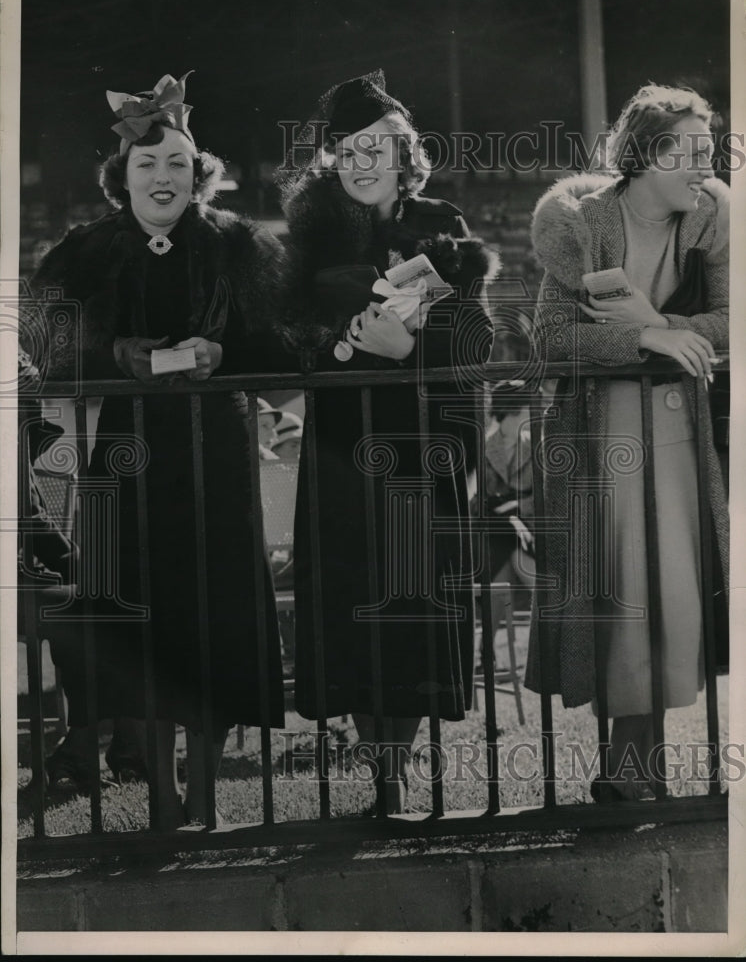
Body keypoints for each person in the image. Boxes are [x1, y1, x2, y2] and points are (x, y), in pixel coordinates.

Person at [23, 72, 287, 826]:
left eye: (177, 163)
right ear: (122, 179)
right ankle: (164, 801)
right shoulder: (84, 250)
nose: (163, 176)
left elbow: (282, 342)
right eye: (147, 165)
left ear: (198, 174)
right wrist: (115, 356)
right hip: (128, 461)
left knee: (215, 618)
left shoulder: (239, 244)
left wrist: (224, 357)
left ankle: (206, 798)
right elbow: (42, 340)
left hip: (218, 455)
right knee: (147, 623)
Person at [277, 70, 496, 812]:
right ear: (333, 157)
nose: (364, 161)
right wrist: (332, 343)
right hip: (340, 444)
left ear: (404, 153)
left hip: (415, 439)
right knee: (347, 600)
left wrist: (411, 353)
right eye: (349, 149)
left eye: (379, 147)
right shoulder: (309, 230)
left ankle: (395, 767)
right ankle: (375, 766)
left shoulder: (441, 221)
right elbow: (281, 337)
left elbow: (477, 338)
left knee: (410, 602)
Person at [524, 85, 729, 801]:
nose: (706, 165)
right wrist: (646, 335)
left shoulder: (713, 217)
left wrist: (685, 337)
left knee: (675, 600)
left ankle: (632, 773)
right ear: (644, 153)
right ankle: (625, 773)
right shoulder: (582, 222)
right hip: (600, 435)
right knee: (621, 601)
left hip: (678, 434)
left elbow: (733, 320)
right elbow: (550, 338)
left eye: (711, 150)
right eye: (689, 151)